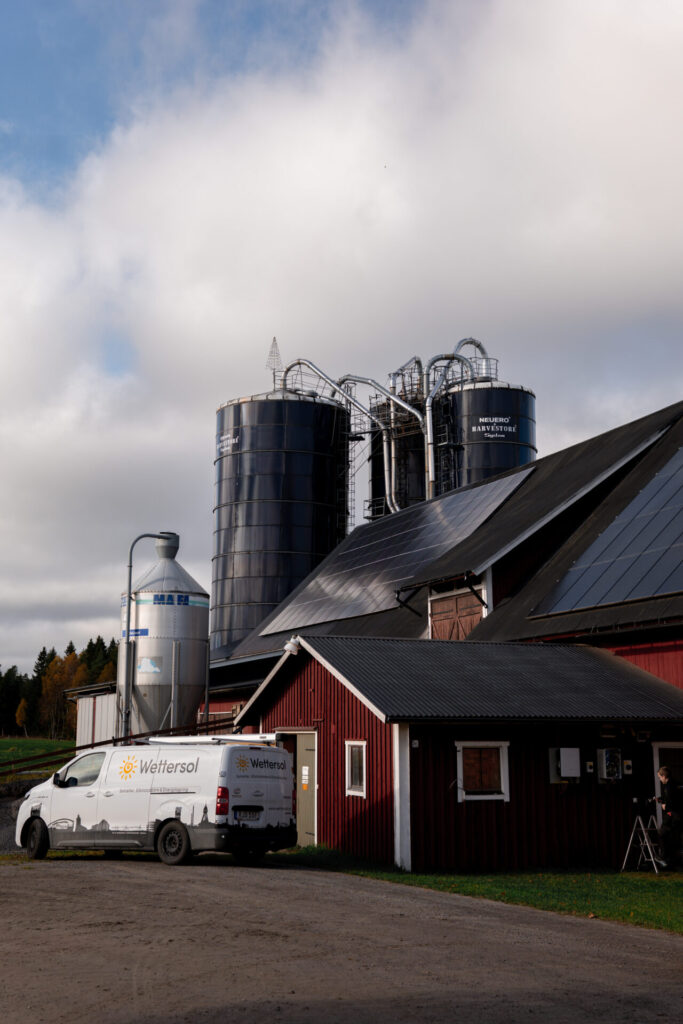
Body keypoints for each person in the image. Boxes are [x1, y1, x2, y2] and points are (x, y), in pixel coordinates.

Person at [654, 766, 683, 869]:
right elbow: (673, 798)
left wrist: (664, 806)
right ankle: (670, 858)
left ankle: (663, 857)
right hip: (678, 815)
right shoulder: (676, 784)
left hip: (673, 814)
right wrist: (660, 799)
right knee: (674, 836)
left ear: (664, 776)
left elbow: (671, 803)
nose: (659, 779)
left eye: (659, 777)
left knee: (662, 833)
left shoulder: (669, 787)